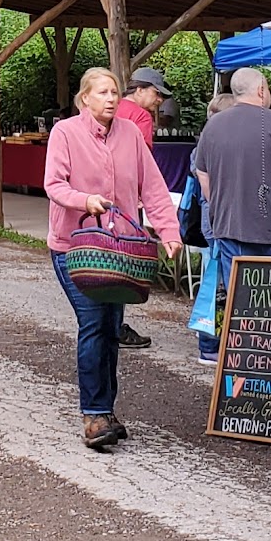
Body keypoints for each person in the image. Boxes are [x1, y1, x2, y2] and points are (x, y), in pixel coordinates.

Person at [44, 66, 182, 453]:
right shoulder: (65, 133)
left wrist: (168, 232)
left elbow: (152, 187)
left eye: (114, 92)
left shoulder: (131, 134)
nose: (110, 98)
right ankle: (94, 415)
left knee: (110, 328)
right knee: (93, 322)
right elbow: (54, 184)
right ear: (84, 98)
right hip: (73, 247)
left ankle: (106, 409)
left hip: (119, 253)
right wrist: (82, 200)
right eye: (102, 92)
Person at [190, 68, 271, 358]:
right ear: (261, 90)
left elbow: (202, 175)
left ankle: (243, 365)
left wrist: (219, 207)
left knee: (240, 301)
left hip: (230, 229)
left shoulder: (213, 126)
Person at [108, 67, 176, 348]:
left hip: (102, 199)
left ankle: (105, 322)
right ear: (139, 89)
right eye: (156, 93)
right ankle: (117, 325)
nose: (159, 100)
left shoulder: (110, 108)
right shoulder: (141, 117)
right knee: (124, 263)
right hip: (127, 200)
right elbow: (143, 160)